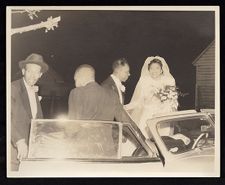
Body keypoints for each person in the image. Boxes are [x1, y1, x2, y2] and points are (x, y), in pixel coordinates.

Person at [68, 64, 141, 156]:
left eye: (76, 79)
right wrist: (143, 141)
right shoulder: (112, 95)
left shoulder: (76, 92)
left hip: (84, 150)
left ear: (81, 77)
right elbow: (127, 122)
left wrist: (65, 139)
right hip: (107, 149)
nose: (75, 83)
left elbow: (72, 126)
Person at [11, 53, 49, 171]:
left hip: (30, 150)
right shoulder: (13, 88)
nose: (33, 76)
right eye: (29, 71)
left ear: (40, 75)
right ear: (23, 71)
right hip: (13, 150)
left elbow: (37, 120)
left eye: (36, 72)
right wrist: (19, 141)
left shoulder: (34, 91)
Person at [125, 56, 179, 137]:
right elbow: (139, 100)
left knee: (164, 137)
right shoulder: (145, 81)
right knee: (143, 136)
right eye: (151, 68)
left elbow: (173, 101)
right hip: (148, 114)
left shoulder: (168, 81)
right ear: (148, 70)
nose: (154, 71)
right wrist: (125, 107)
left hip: (163, 114)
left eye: (157, 68)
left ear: (161, 70)